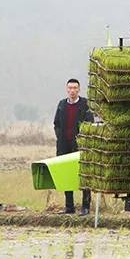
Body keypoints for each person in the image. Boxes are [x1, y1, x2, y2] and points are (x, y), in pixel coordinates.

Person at [53, 78, 94, 216]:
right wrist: (60, 136)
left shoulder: (85, 104)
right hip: (64, 145)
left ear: (79, 90)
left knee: (83, 175)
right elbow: (56, 123)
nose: (72, 91)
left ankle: (85, 206)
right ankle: (69, 206)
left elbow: (89, 123)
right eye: (70, 88)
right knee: (66, 175)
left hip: (81, 146)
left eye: (75, 88)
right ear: (67, 90)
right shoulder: (61, 105)